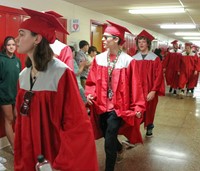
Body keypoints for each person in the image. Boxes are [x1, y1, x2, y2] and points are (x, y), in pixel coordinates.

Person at [14, 7, 98, 171]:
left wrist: (63, 162)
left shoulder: (61, 73)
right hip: (29, 152)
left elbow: (76, 124)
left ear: (37, 38)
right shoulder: (23, 75)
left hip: (54, 153)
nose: (16, 39)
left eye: (22, 34)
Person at [85, 20, 145, 171]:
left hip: (118, 107)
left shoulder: (128, 61)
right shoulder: (98, 59)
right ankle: (119, 148)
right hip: (101, 105)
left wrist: (138, 105)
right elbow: (91, 81)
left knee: (109, 139)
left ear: (116, 39)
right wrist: (90, 94)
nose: (103, 40)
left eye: (106, 37)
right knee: (105, 132)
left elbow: (136, 86)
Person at [130, 30, 165, 138]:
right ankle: (134, 132)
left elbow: (159, 77)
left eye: (143, 42)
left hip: (150, 90)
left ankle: (150, 126)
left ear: (148, 43)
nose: (141, 44)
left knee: (150, 110)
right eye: (139, 41)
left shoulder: (155, 59)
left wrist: (154, 91)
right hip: (137, 91)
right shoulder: (133, 59)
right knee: (135, 110)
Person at [0, 36, 21, 152]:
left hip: (15, 95)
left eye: (13, 44)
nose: (11, 47)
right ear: (5, 47)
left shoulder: (17, 61)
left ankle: (18, 142)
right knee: (9, 119)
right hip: (4, 95)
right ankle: (14, 147)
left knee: (18, 117)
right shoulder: (1, 59)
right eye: (9, 45)